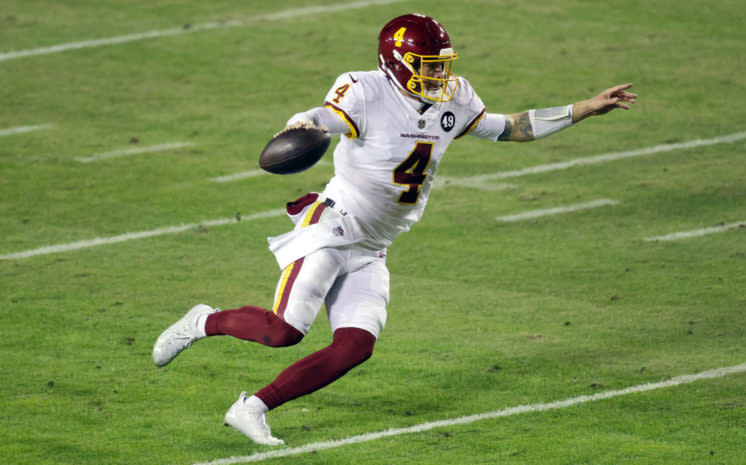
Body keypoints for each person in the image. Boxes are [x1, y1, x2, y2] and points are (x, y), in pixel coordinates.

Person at [152, 13, 637, 445]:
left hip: (375, 245)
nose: (439, 74)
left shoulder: (457, 98)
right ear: (399, 62)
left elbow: (511, 127)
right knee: (283, 332)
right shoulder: (364, 90)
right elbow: (321, 116)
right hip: (335, 223)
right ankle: (203, 321)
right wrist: (301, 125)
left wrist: (585, 108)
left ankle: (251, 408)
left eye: (441, 64)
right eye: (428, 65)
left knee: (356, 346)